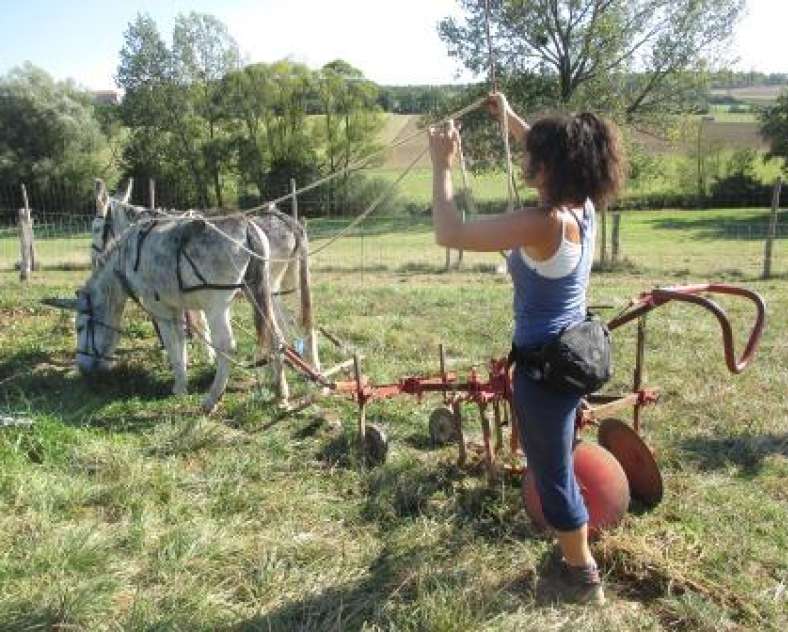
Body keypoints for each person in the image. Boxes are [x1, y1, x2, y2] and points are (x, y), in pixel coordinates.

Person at [428, 93, 625, 605]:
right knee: (551, 460)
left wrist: (441, 164)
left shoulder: (541, 224)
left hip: (543, 375)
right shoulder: (582, 207)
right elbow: (548, 149)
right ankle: (576, 557)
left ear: (549, 168)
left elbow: (448, 231)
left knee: (552, 474)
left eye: (532, 156)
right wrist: (510, 117)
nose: (524, 160)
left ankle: (581, 575)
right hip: (570, 354)